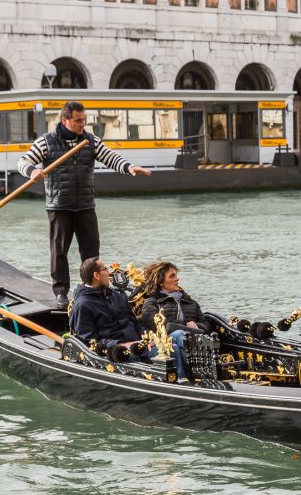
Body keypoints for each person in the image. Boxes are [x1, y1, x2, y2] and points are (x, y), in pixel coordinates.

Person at [18, 101, 152, 308]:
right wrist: (32, 171)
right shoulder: (46, 142)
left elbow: (110, 157)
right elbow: (23, 161)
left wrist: (129, 167)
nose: (83, 124)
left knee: (91, 253)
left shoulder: (90, 141)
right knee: (59, 251)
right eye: (78, 120)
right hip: (59, 206)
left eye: (84, 120)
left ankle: (92, 290)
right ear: (65, 120)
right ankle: (61, 293)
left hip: (85, 205)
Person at [137, 261, 210, 382]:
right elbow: (162, 327)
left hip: (190, 342)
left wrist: (197, 325)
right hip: (159, 347)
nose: (177, 279)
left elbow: (206, 326)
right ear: (160, 281)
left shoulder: (190, 302)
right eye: (172, 276)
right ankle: (183, 379)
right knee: (178, 338)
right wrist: (187, 327)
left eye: (176, 275)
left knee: (181, 337)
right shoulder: (151, 303)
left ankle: (200, 374)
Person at [70, 257, 151, 359]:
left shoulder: (117, 296)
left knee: (168, 347)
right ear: (96, 275)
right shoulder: (82, 305)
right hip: (117, 353)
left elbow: (135, 322)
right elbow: (89, 341)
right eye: (105, 269)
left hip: (139, 345)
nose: (108, 273)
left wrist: (147, 337)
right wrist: (120, 345)